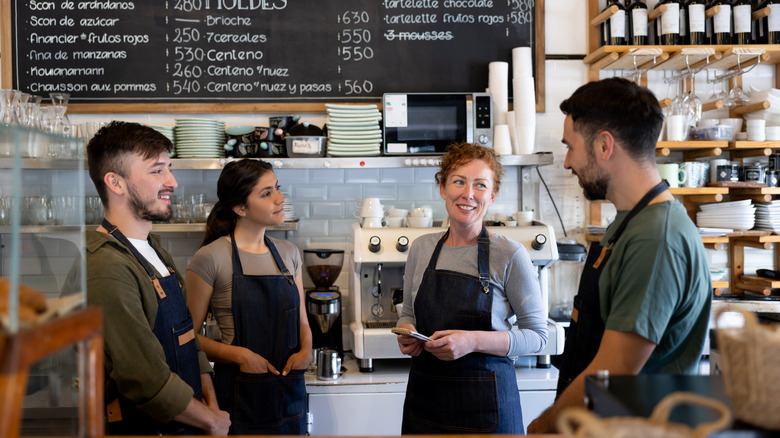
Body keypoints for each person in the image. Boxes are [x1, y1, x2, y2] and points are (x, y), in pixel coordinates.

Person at [527, 78, 712, 433]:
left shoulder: (656, 239)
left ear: (604, 145)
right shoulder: (632, 222)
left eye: (570, 147)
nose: (567, 163)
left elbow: (613, 372)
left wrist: (543, 427)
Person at [84, 121, 230, 435]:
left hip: (188, 421)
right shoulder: (106, 264)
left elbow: (188, 334)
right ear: (116, 183)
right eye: (157, 170)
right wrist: (210, 420)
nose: (173, 182)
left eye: (170, 168)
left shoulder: (153, 250)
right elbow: (142, 378)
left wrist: (210, 399)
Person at [395, 142, 548, 434]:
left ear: (492, 195)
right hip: (426, 404)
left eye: (480, 185)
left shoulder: (510, 254)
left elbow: (538, 336)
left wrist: (472, 342)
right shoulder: (421, 249)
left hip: (487, 409)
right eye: (458, 182)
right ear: (442, 188)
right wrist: (407, 334)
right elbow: (407, 314)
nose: (468, 194)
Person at [185, 159, 312, 435]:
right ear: (240, 207)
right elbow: (187, 337)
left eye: (277, 188)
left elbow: (303, 321)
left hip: (289, 395)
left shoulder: (289, 254)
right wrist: (240, 356)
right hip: (239, 396)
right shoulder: (210, 257)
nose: (280, 199)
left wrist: (306, 351)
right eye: (266, 194)